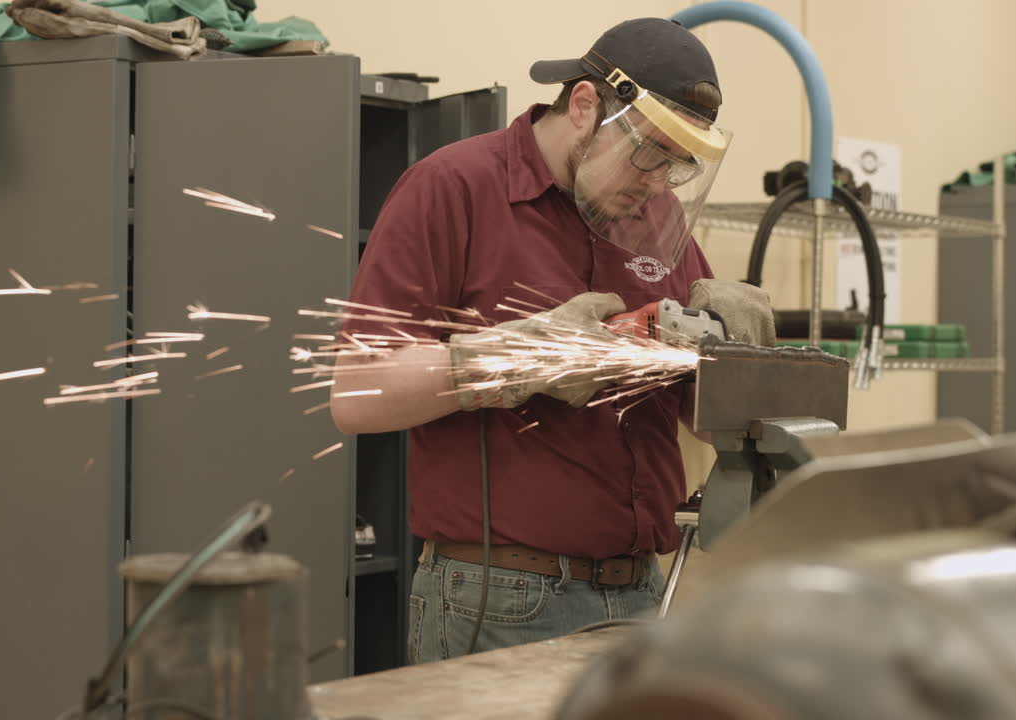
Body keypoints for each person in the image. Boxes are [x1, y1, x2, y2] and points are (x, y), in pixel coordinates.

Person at [330, 17, 775, 664]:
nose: (657, 182)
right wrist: (511, 358)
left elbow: (699, 423)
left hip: (641, 591)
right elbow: (354, 393)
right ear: (586, 104)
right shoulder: (453, 187)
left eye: (676, 166)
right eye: (649, 153)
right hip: (499, 596)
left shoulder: (658, 215)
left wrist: (734, 364)